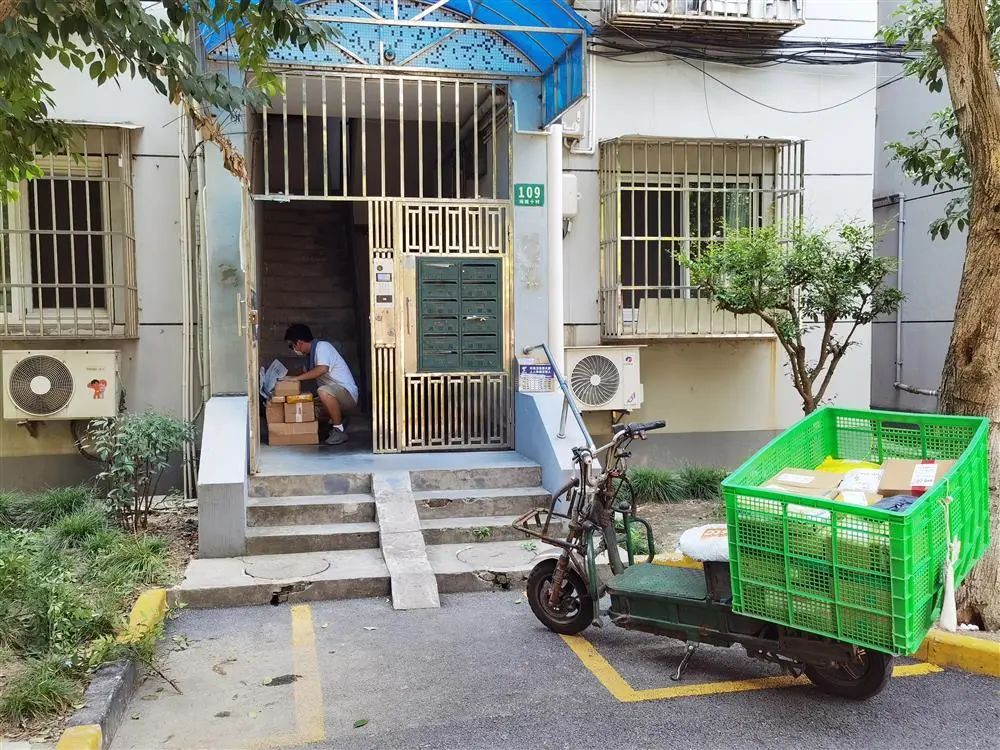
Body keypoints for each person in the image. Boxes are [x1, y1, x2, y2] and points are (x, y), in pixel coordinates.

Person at [281, 324, 359, 446]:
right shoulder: (311, 355)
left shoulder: (322, 347)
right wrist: (283, 377)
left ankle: (339, 430)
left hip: (347, 394)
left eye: (292, 346)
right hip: (335, 395)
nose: (292, 349)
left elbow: (322, 369)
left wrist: (295, 379)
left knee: (323, 391)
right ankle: (337, 419)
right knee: (306, 407)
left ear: (299, 343)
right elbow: (303, 371)